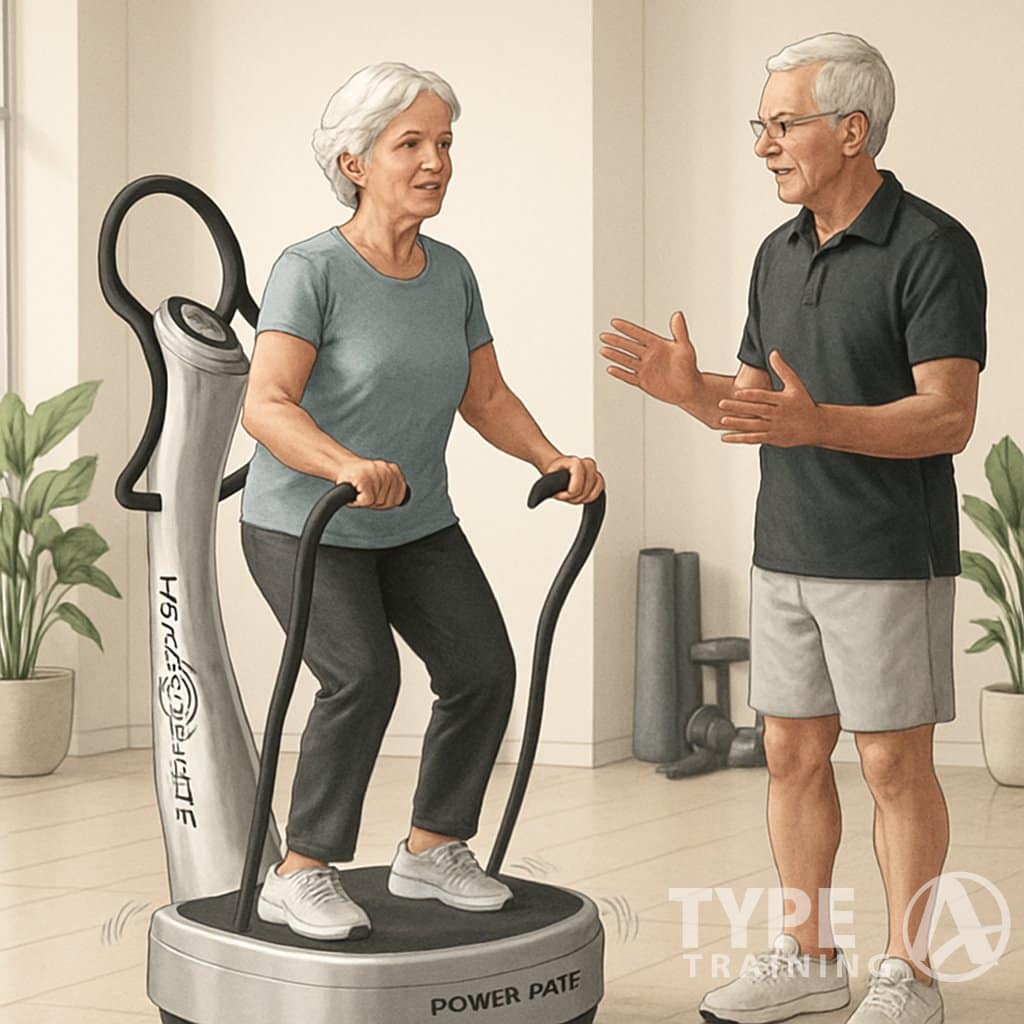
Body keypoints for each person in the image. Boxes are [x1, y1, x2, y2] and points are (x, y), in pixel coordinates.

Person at [600, 32, 984, 1024]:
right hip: (787, 550)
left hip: (889, 558)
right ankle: (807, 956)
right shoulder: (775, 255)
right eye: (758, 126)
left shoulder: (931, 247)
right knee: (788, 756)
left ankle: (912, 974)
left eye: (784, 124)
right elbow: (764, 403)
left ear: (851, 131)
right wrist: (690, 393)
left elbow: (947, 413)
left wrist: (819, 423)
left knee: (895, 766)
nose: (764, 145)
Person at [240, 62, 604, 942]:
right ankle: (299, 872)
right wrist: (343, 464)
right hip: (305, 524)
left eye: (444, 143)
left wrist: (553, 458)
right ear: (356, 161)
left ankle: (431, 849)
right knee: (362, 675)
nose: (436, 160)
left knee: (482, 668)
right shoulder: (310, 269)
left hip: (414, 521)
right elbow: (266, 405)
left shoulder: (451, 274)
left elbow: (485, 397)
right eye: (412, 143)